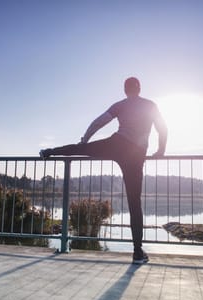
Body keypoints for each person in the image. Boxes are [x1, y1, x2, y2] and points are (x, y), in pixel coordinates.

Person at [40, 77, 168, 264]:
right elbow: (163, 128)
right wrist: (160, 151)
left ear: (125, 90)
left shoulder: (120, 105)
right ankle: (138, 252)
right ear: (139, 89)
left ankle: (48, 152)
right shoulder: (150, 105)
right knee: (134, 203)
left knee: (80, 150)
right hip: (136, 154)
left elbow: (98, 122)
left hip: (117, 144)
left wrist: (85, 139)